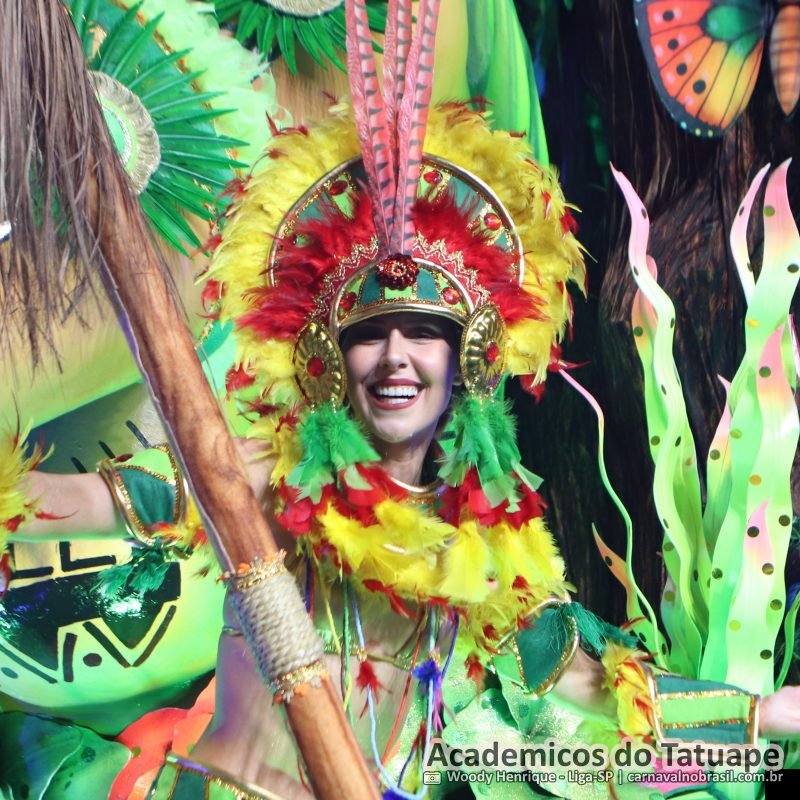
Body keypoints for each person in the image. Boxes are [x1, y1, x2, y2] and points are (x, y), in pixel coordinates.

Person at [4, 5, 800, 800]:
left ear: (465, 360)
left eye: (423, 333)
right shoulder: (269, 479)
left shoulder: (487, 552)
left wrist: (758, 717)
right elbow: (86, 504)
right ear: (331, 360)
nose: (395, 358)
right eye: (370, 335)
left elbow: (599, 687)